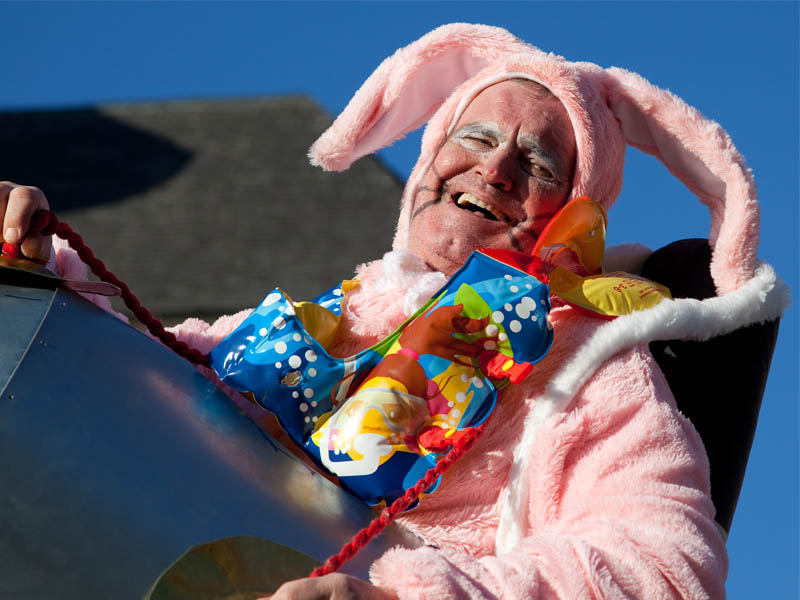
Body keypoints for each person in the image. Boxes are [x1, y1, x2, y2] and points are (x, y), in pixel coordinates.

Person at [1, 24, 788, 600]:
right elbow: (143, 391)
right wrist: (37, 266)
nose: (496, 168)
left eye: (538, 163)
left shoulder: (589, 366)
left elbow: (669, 570)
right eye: (476, 136)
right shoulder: (335, 312)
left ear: (571, 217)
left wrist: (406, 595)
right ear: (427, 161)